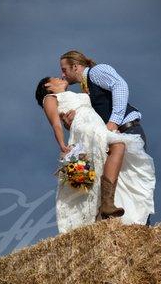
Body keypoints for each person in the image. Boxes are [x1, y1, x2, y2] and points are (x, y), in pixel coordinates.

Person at [45, 50, 153, 226]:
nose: (62, 74)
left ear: (76, 66)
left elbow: (120, 86)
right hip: (112, 137)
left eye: (64, 69)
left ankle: (143, 228)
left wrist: (113, 122)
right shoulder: (84, 92)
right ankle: (110, 217)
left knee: (135, 184)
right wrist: (71, 122)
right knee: (124, 188)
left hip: (128, 131)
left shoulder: (96, 72)